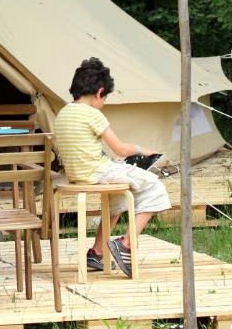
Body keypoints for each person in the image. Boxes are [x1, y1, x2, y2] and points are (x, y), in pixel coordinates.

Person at [54, 57, 170, 278]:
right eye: (105, 97)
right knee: (155, 186)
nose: (104, 102)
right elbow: (119, 149)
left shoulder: (64, 113)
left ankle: (97, 252)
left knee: (117, 195)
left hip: (77, 174)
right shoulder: (92, 114)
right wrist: (143, 150)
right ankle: (126, 244)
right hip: (97, 171)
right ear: (99, 92)